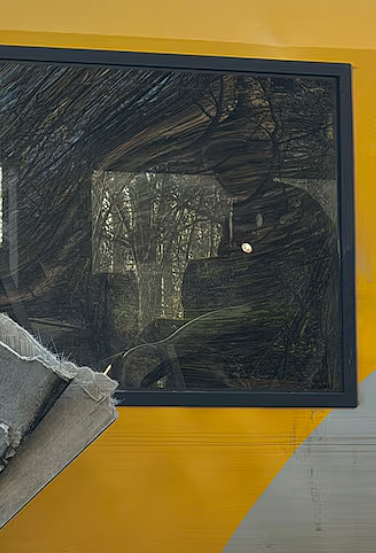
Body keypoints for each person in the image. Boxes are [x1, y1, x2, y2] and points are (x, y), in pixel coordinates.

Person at [130, 113, 337, 390]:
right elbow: (235, 265)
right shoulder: (239, 210)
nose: (220, 177)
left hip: (287, 334)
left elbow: (275, 276)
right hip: (251, 327)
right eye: (216, 170)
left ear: (252, 163)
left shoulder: (291, 205)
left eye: (226, 167)